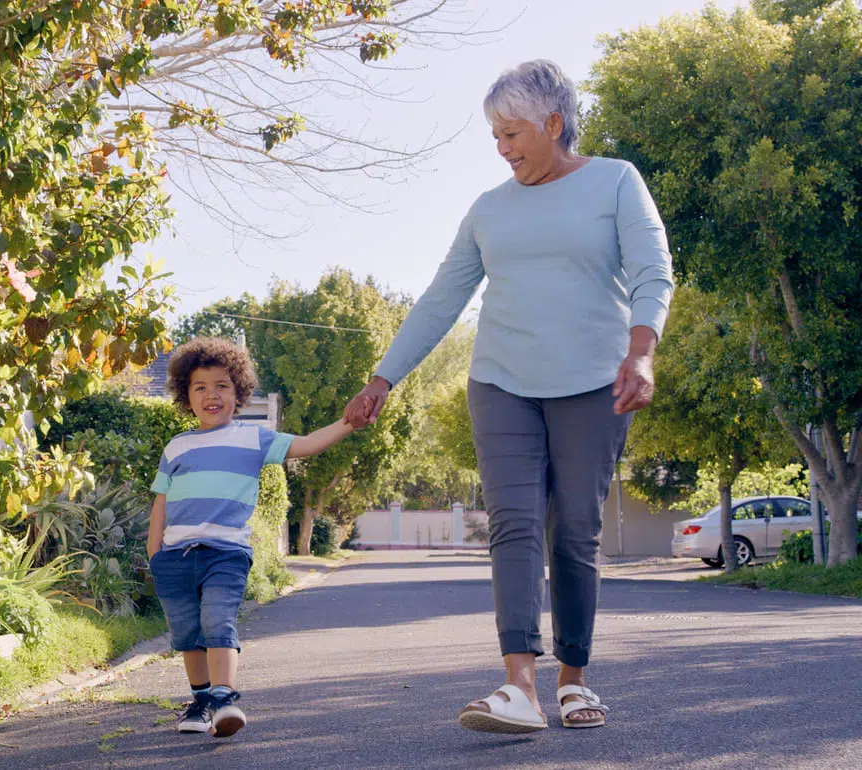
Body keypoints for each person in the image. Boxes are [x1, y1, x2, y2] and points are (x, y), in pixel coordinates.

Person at [344, 59, 673, 733]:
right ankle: (519, 684)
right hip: (501, 383)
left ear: (553, 124)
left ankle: (574, 679)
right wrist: (384, 377)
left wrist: (641, 353)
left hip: (593, 383)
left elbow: (651, 269)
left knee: (574, 530)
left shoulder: (615, 181)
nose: (502, 147)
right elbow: (441, 299)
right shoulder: (489, 209)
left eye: (511, 132)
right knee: (514, 525)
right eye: (494, 136)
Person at [148, 336, 357, 737]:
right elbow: (161, 501)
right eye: (201, 387)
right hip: (174, 557)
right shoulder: (176, 447)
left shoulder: (253, 438)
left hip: (225, 553)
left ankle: (224, 702)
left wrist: (348, 422)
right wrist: (155, 552)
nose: (212, 395)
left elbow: (309, 443)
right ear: (185, 396)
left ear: (239, 392)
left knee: (217, 621)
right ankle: (200, 702)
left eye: (222, 386)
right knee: (188, 635)